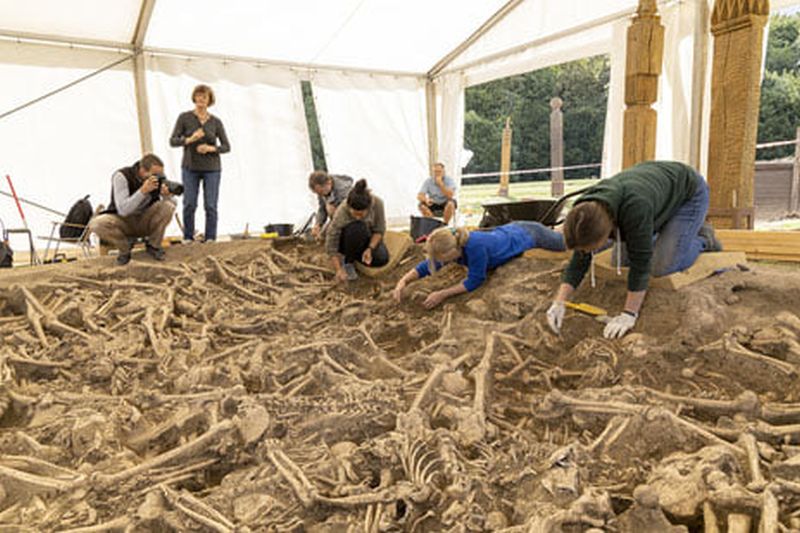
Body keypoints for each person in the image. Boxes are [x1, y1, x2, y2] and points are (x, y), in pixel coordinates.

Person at [546, 160, 722, 339]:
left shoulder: (635, 209)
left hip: (688, 195)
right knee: (619, 262)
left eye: (591, 248)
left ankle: (703, 238)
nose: (586, 252)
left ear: (606, 232)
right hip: (653, 195)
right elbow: (580, 258)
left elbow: (641, 263)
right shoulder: (585, 210)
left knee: (661, 266)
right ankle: (658, 233)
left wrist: (629, 314)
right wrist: (560, 301)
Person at [393, 222, 566, 309]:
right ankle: (556, 229)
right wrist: (403, 281)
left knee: (567, 243)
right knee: (555, 234)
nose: (440, 262)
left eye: (440, 257)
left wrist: (442, 294)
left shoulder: (475, 247)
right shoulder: (454, 246)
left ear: (451, 252)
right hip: (512, 229)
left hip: (529, 234)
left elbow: (475, 280)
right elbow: (427, 266)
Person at [89, 154, 176, 265]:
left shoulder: (158, 178)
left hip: (145, 219)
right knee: (96, 224)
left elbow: (172, 205)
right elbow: (123, 210)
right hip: (123, 221)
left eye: (160, 174)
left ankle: (154, 246)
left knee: (168, 206)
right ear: (143, 170)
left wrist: (167, 195)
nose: (159, 177)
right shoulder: (122, 176)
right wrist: (142, 191)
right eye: (155, 174)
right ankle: (124, 250)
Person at [170, 84, 230, 243]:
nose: (201, 99)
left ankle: (211, 238)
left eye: (205, 96)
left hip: (212, 169)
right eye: (198, 96)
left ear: (210, 100)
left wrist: (211, 148)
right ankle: (188, 237)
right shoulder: (184, 118)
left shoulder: (216, 122)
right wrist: (190, 139)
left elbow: (226, 147)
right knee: (189, 203)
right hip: (190, 167)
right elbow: (173, 141)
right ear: (194, 98)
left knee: (210, 205)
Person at [326, 179, 388, 282]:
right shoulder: (342, 210)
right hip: (346, 240)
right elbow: (331, 240)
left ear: (368, 208)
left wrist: (370, 249)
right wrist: (338, 269)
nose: (358, 217)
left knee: (382, 259)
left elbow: (379, 230)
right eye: (355, 214)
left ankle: (359, 256)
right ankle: (348, 262)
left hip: (365, 238)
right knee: (358, 227)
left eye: (361, 214)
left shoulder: (378, 204)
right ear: (349, 207)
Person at [308, 171, 354, 239]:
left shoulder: (343, 191)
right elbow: (322, 208)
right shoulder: (324, 190)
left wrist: (328, 230)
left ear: (328, 183)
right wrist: (318, 224)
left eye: (321, 192)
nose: (320, 195)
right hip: (337, 216)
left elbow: (346, 213)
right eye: (318, 193)